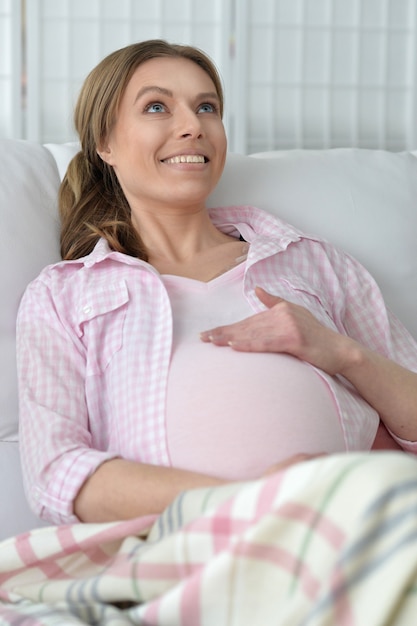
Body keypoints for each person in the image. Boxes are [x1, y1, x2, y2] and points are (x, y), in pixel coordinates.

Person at [16, 40, 417, 527]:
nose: (193, 126)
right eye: (157, 107)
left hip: (356, 532)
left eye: (207, 107)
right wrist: (259, 504)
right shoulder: (65, 295)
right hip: (180, 549)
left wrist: (340, 351)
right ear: (105, 143)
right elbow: (57, 475)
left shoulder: (312, 262)